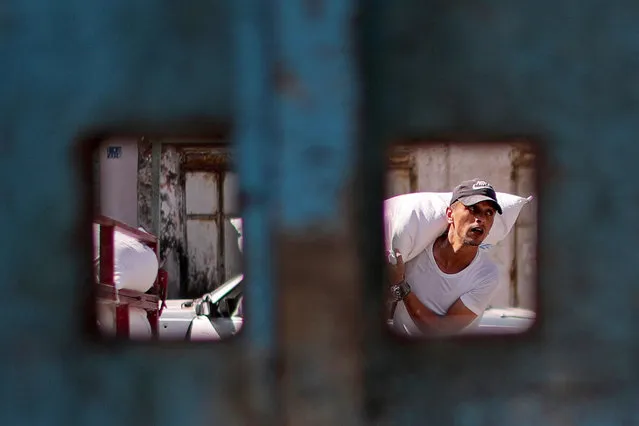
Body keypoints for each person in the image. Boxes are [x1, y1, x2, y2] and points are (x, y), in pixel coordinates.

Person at [387, 178, 502, 337]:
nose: (481, 219)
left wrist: (401, 287)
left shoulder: (487, 274)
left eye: (489, 212)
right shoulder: (415, 248)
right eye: (473, 209)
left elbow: (441, 331)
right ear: (450, 214)